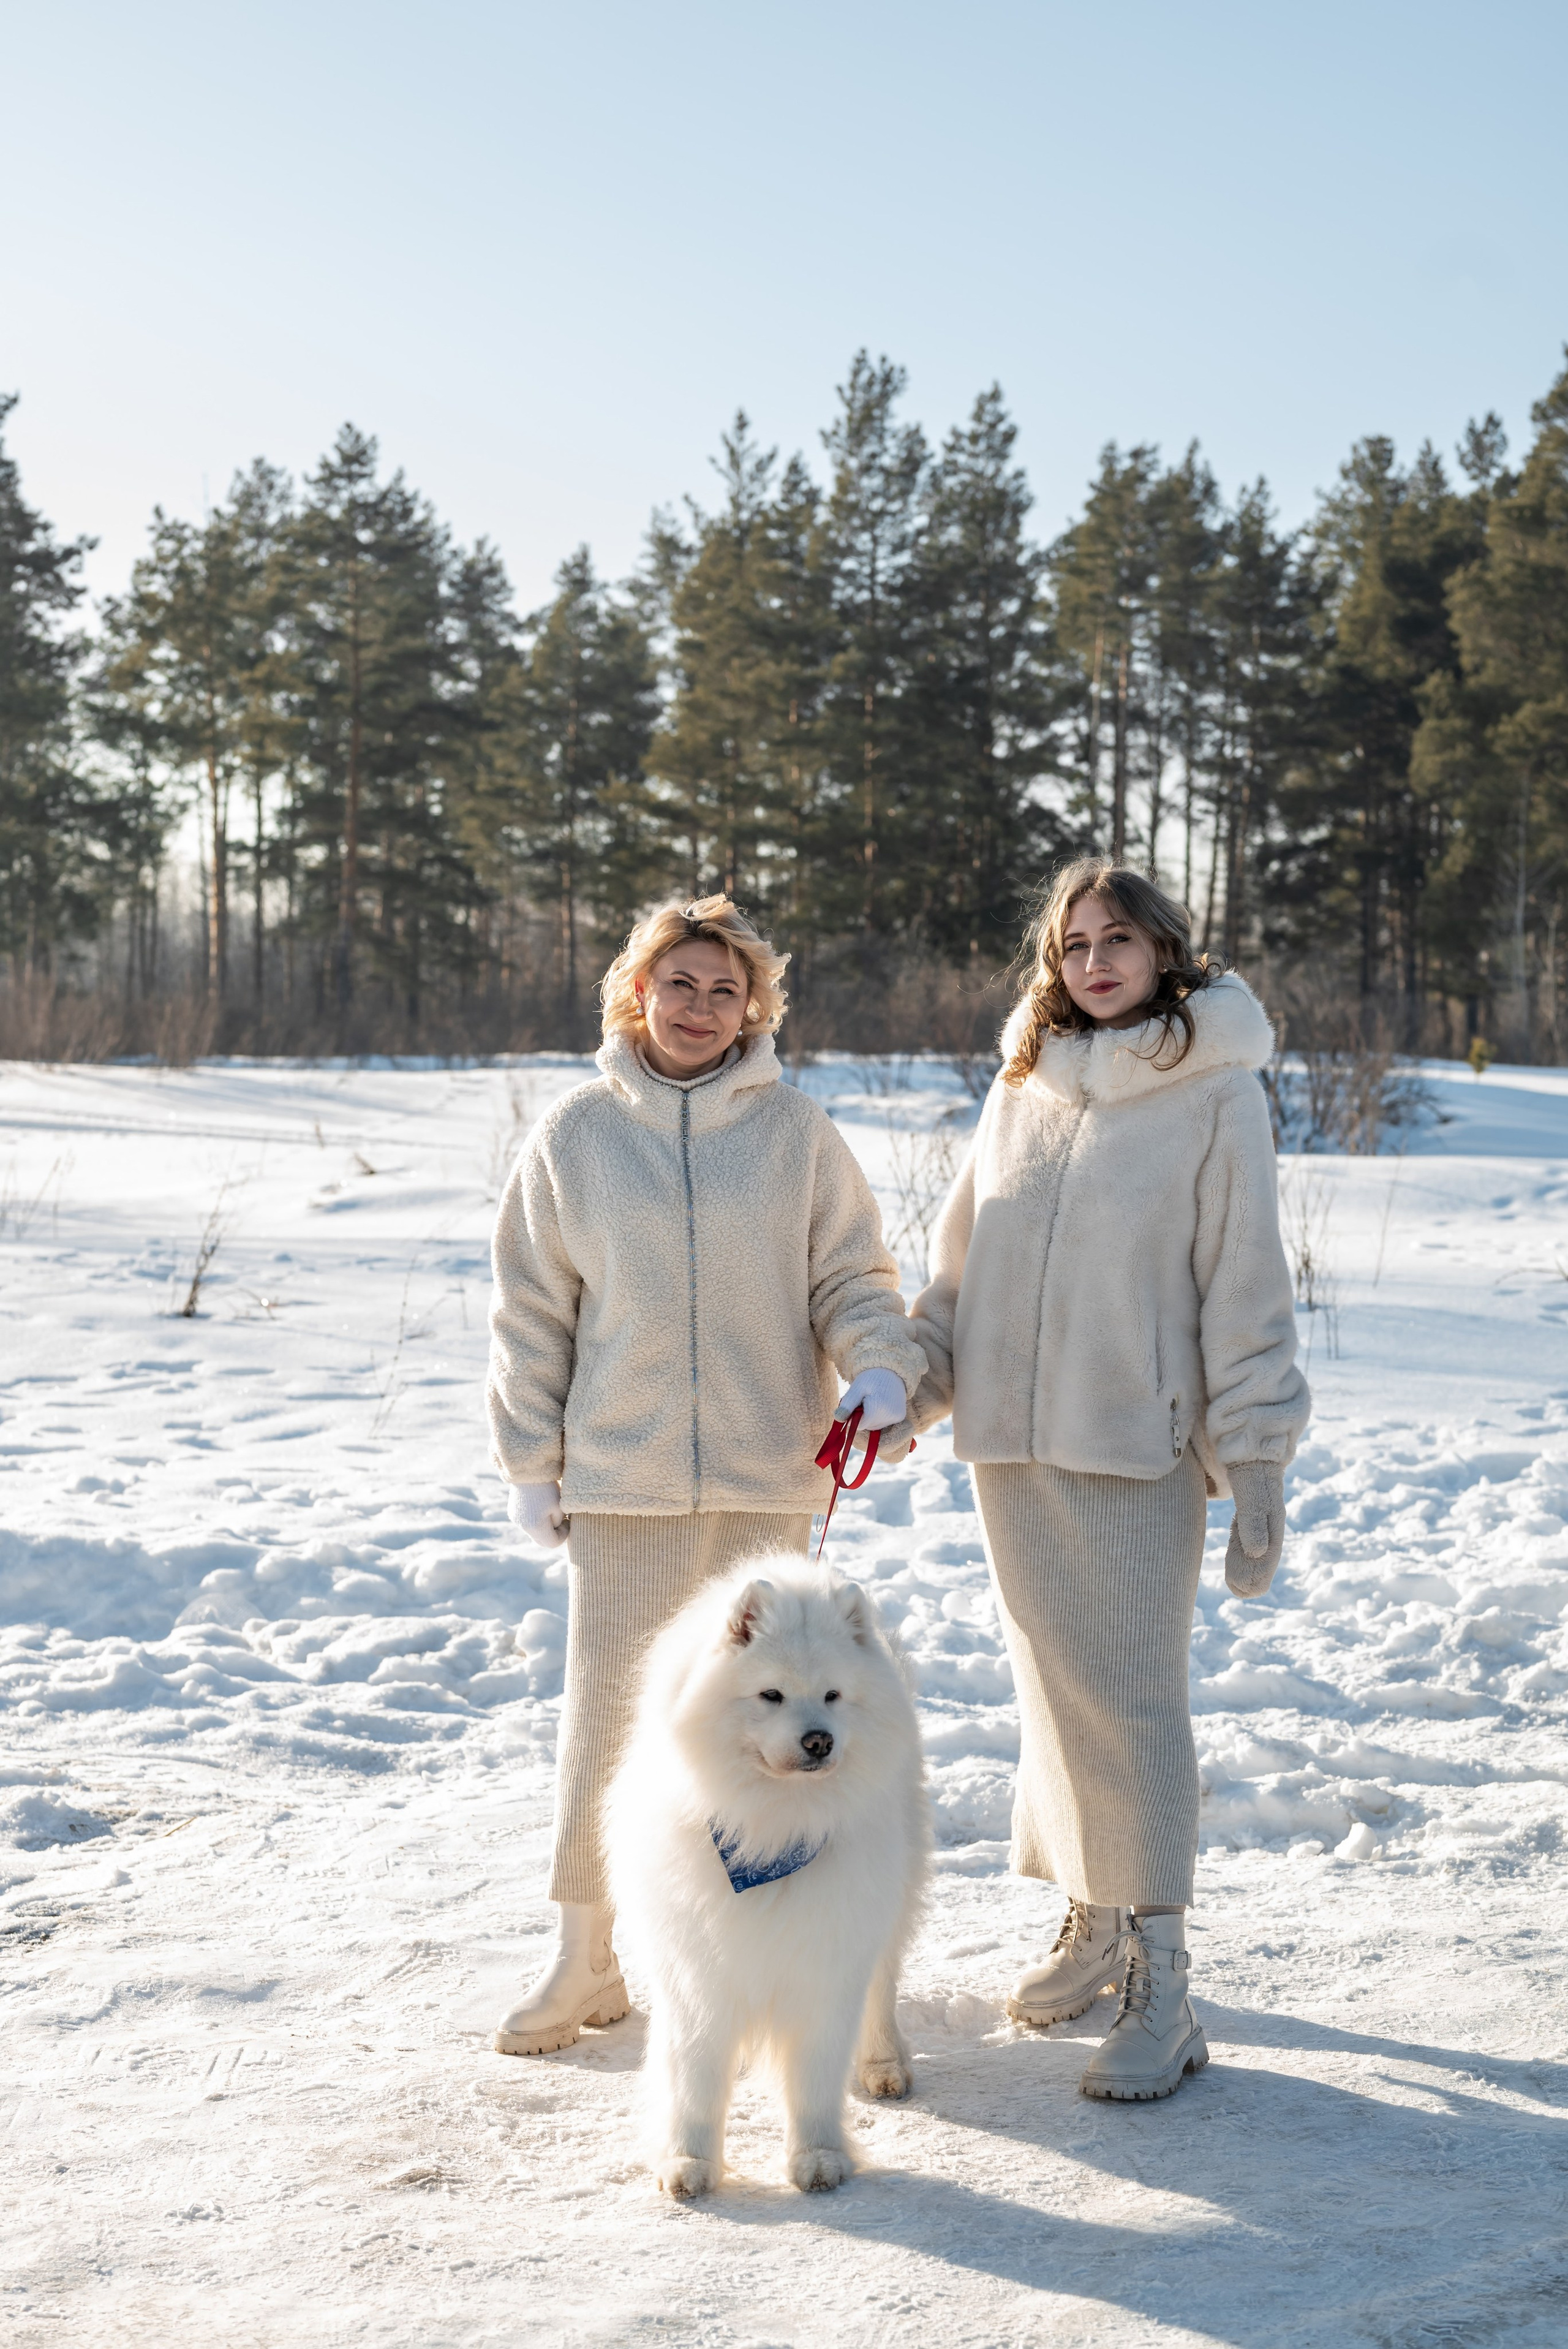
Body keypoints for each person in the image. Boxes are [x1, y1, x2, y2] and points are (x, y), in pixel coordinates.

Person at [486, 895, 926, 2056]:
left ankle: (775, 1958)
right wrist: (533, 1459)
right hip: (621, 1482)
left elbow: (854, 1279)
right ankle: (587, 1959)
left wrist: (880, 1369)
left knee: (768, 1726)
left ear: (755, 1006)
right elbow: (532, 1313)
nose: (699, 1006)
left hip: (763, 1477)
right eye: (678, 983)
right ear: (638, 991)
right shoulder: (575, 1135)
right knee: (609, 1726)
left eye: (724, 989)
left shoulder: (796, 1137)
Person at [910, 857, 1309, 2101]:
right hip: (1012, 1445)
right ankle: (1090, 1919)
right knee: (1051, 1689)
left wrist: (1254, 1465)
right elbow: (958, 1264)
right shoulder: (1022, 1080)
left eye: (1117, 940)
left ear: (1164, 953)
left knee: (1131, 1704)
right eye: (1073, 942)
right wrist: (909, 1386)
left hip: (1135, 1442)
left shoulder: (1211, 1091)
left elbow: (1243, 1289)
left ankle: (1165, 1981)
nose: (1093, 961)